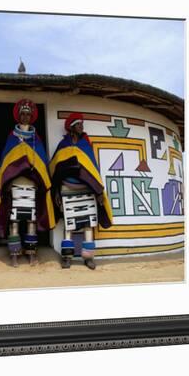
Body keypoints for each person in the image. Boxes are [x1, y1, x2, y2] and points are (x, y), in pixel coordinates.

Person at [0, 99, 55, 267]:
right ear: (18, 116)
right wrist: (7, 179)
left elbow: (41, 162)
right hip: (14, 186)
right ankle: (14, 254)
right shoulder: (12, 138)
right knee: (14, 221)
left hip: (32, 186)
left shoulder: (36, 139)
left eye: (28, 114)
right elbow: (5, 162)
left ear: (32, 116)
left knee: (31, 221)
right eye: (23, 113)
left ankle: (31, 254)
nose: (26, 116)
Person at [49, 113, 113, 269]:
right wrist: (57, 191)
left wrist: (98, 191)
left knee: (88, 224)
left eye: (82, 124)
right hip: (66, 189)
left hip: (87, 189)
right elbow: (55, 169)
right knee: (69, 224)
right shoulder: (63, 145)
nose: (81, 127)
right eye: (78, 124)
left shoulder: (86, 145)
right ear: (71, 128)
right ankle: (67, 257)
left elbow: (93, 168)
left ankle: (88, 257)